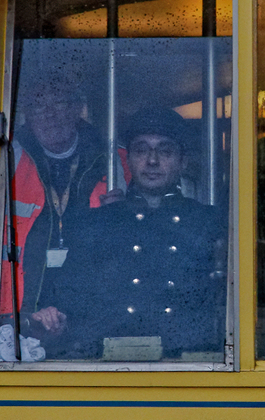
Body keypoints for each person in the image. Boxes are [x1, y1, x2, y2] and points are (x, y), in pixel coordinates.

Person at [41, 110, 224, 359]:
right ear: (128, 159)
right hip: (112, 364)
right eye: (141, 150)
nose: (152, 160)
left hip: (187, 364)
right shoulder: (97, 224)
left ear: (183, 162)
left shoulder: (209, 223)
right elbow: (67, 302)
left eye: (165, 151)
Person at [0, 66, 126, 362]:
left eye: (60, 103)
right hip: (21, 315)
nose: (50, 114)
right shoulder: (5, 157)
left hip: (95, 311)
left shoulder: (116, 160)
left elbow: (153, 223)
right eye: (39, 106)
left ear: (78, 109)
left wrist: (126, 212)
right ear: (26, 114)